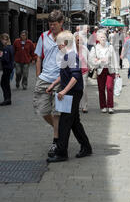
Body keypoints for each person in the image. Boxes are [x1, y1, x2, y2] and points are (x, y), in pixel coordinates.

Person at [46, 31, 92, 163]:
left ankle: (62, 153)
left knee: (65, 123)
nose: (58, 47)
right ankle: (86, 147)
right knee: (74, 122)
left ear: (65, 44)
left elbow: (76, 77)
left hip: (72, 93)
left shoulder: (71, 56)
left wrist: (64, 91)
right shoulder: (67, 55)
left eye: (59, 45)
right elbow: (65, 75)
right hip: (71, 92)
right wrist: (54, 84)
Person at [34, 10, 64, 156]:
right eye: (50, 24)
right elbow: (38, 57)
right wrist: (38, 76)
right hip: (44, 79)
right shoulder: (43, 36)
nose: (52, 27)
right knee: (42, 110)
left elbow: (69, 59)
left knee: (56, 112)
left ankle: (56, 140)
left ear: (61, 23)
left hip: (60, 79)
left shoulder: (67, 37)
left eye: (55, 24)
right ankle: (60, 130)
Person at [89, 31, 119, 113]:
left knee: (109, 88)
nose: (103, 38)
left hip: (110, 70)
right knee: (101, 89)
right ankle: (103, 106)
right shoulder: (95, 48)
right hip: (100, 70)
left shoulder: (110, 47)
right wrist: (99, 61)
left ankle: (110, 106)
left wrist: (117, 71)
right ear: (98, 39)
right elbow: (91, 60)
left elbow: (114, 59)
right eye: (101, 37)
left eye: (104, 37)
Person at [74, 32, 90, 113]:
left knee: (84, 89)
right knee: (75, 89)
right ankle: (77, 105)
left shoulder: (84, 48)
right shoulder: (71, 49)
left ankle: (84, 106)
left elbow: (89, 58)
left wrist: (90, 67)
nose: (79, 41)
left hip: (84, 71)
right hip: (74, 72)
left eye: (80, 39)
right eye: (77, 39)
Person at [0, 33, 14, 106]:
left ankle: (7, 99)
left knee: (4, 83)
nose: (2, 41)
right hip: (9, 67)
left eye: (2, 40)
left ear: (5, 40)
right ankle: (8, 99)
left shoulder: (6, 48)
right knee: (5, 83)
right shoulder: (10, 47)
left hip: (7, 67)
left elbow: (6, 59)